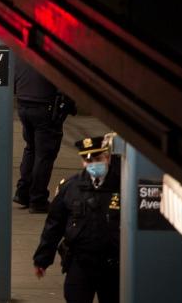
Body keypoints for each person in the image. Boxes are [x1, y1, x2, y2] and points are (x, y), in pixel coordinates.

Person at [33, 135, 121, 303]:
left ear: (107, 157)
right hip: (80, 262)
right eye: (87, 160)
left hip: (113, 264)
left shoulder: (121, 186)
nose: (93, 164)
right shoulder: (71, 187)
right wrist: (42, 259)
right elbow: (54, 225)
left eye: (97, 158)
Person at [14, 60, 76, 213]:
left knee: (31, 149)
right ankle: (38, 199)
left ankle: (23, 193)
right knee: (44, 155)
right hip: (44, 106)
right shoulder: (53, 53)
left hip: (24, 103)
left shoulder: (23, 49)